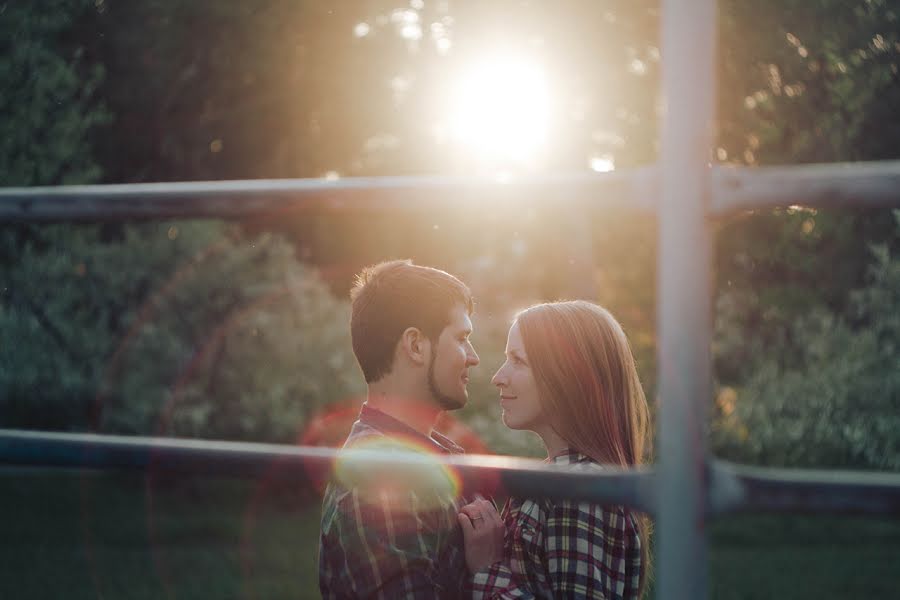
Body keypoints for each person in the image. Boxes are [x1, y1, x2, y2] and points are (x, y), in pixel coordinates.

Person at [458, 300, 651, 600]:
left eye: (518, 360)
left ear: (567, 375)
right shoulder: (558, 482)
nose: (498, 377)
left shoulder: (578, 492)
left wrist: (488, 567)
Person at [318, 259, 480, 599]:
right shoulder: (382, 481)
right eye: (462, 338)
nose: (473, 356)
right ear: (416, 346)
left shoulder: (424, 455)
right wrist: (486, 571)